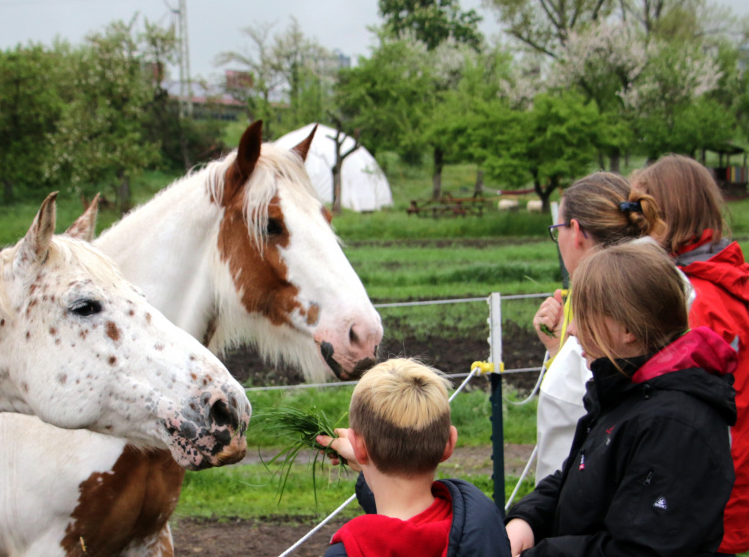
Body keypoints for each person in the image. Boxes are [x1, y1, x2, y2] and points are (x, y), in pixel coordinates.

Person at [506, 242, 737, 557]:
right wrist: (527, 518)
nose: (571, 329)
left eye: (584, 315)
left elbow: (641, 550)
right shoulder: (625, 393)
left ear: (627, 328)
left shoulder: (673, 426)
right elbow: (578, 478)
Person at [631, 154, 749, 556]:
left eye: (641, 218)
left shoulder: (695, 298)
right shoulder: (724, 280)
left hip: (706, 484)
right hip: (730, 470)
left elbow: (671, 402)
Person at [531, 172, 666, 480]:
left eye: (557, 230)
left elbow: (575, 416)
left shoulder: (605, 310)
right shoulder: (662, 286)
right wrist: (558, 351)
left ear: (576, 231)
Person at [315, 358, 510, 557]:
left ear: (358, 446)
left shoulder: (348, 551)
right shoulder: (484, 524)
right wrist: (364, 460)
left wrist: (366, 455)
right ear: (449, 442)